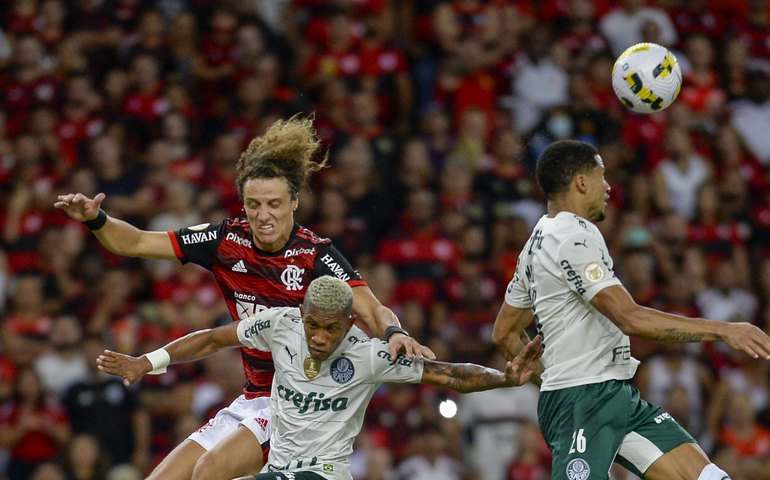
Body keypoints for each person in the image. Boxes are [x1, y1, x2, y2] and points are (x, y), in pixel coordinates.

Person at [54, 115, 433, 480]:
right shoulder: (224, 240)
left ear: (294, 202)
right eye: (254, 204)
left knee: (208, 474)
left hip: (295, 402)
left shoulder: (316, 254)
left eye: (274, 204)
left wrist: (393, 333)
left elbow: (371, 307)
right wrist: (96, 220)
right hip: (251, 399)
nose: (263, 215)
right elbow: (134, 241)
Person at [491, 139, 770, 480]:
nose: (608, 186)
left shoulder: (535, 243)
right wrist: (725, 329)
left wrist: (547, 377)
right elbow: (629, 318)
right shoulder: (572, 238)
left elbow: (504, 334)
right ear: (581, 182)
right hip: (581, 403)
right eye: (601, 175)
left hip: (613, 394)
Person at [96, 275, 543, 480]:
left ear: (351, 322)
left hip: (321, 474)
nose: (320, 337)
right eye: (314, 325)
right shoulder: (280, 325)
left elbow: (449, 376)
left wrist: (504, 380)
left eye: (332, 328)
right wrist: (147, 361)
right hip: (278, 468)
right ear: (302, 315)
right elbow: (213, 339)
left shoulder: (370, 356)